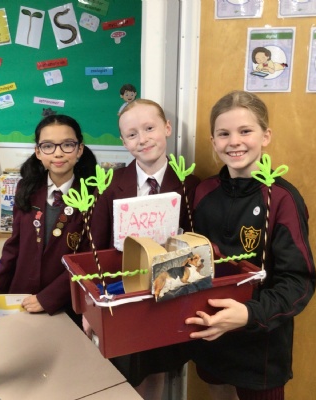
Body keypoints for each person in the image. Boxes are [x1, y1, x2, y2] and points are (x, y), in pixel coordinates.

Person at [184, 90, 316, 400]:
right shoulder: (203, 191)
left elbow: (298, 281)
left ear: (265, 136)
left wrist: (248, 314)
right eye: (224, 134)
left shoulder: (282, 198)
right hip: (211, 337)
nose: (234, 142)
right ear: (213, 141)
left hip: (261, 349)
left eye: (245, 131)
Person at [89, 99, 200, 399]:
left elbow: (196, 244)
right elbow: (96, 247)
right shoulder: (110, 185)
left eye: (150, 128)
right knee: (123, 371)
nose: (143, 139)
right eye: (132, 134)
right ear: (123, 141)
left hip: (169, 296)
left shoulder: (189, 184)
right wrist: (92, 307)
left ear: (167, 128)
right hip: (123, 295)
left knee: (158, 369)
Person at [0, 114, 97, 324]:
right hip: (21, 298)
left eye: (67, 145)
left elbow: (89, 259)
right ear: (38, 152)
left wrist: (48, 298)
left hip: (66, 304)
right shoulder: (27, 189)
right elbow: (14, 247)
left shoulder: (93, 195)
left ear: (79, 149)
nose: (58, 153)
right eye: (48, 146)